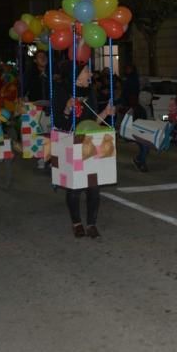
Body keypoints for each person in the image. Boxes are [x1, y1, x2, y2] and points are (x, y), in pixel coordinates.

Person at [53, 63, 115, 239]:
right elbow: (59, 122)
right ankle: (76, 223)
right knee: (74, 187)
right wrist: (67, 108)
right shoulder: (62, 91)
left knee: (93, 186)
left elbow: (92, 121)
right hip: (70, 142)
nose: (90, 75)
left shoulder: (90, 92)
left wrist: (105, 113)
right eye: (87, 71)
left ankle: (91, 224)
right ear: (77, 75)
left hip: (89, 141)